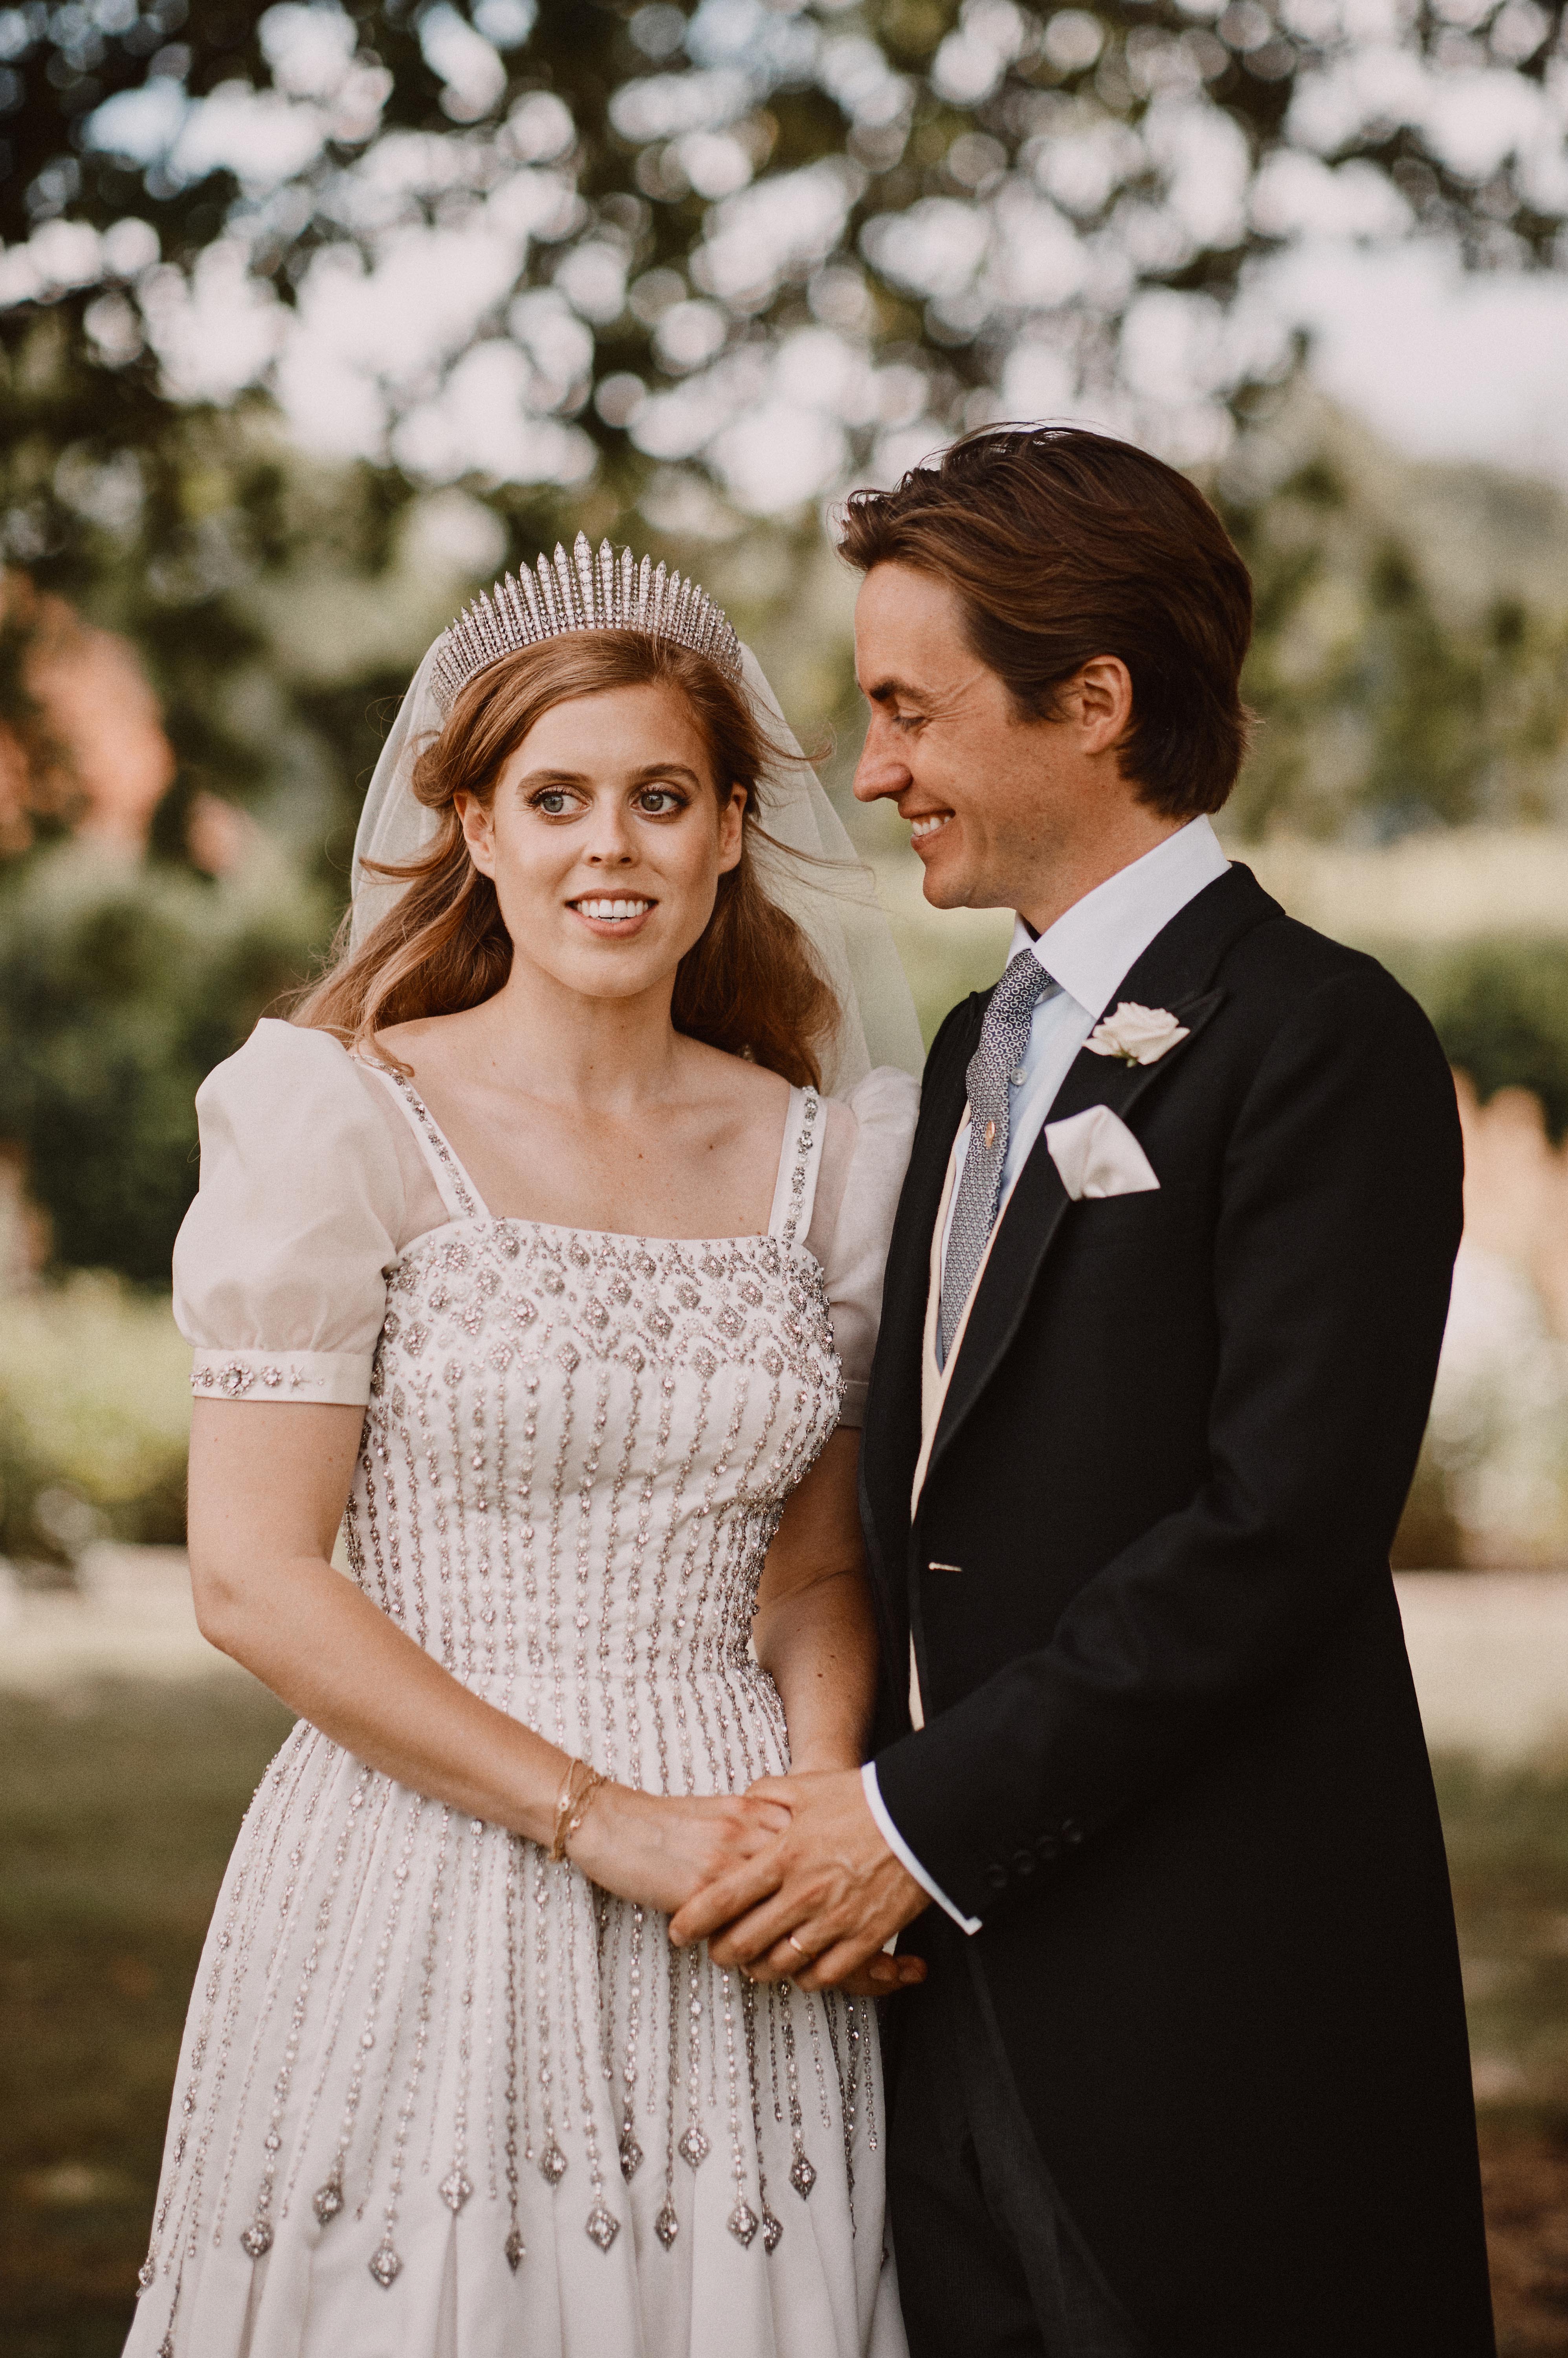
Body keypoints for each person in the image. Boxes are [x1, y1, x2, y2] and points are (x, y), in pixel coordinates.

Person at [670, 430, 1497, 2357]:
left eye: (905, 710)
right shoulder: (975, 1046)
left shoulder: (1320, 1039)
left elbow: (1270, 1538)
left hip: (1210, 2006)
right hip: (945, 2013)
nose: (869, 772)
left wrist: (917, 1826)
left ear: (1095, 702)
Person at [127, 538, 926, 2358]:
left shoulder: (836, 1159)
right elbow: (254, 1581)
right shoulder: (336, 1118)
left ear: (734, 825)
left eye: (659, 797)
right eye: (554, 798)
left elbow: (812, 1567)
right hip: (425, 1869)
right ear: (473, 826)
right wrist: (603, 1823)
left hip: (745, 1901)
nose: (609, 847)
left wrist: (806, 1813)